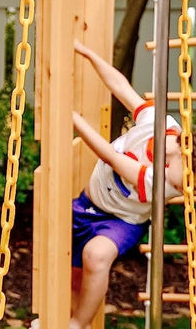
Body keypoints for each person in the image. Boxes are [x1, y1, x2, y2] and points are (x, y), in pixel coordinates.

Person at [68, 39, 184, 329]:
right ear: (184, 150)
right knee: (73, 274)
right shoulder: (160, 123)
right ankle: (60, 317)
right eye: (189, 179)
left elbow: (109, 156)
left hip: (121, 221)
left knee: (96, 256)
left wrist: (67, 114)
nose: (184, 189)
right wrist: (87, 51)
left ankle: (76, 325)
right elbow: (120, 87)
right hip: (87, 204)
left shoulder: (159, 181)